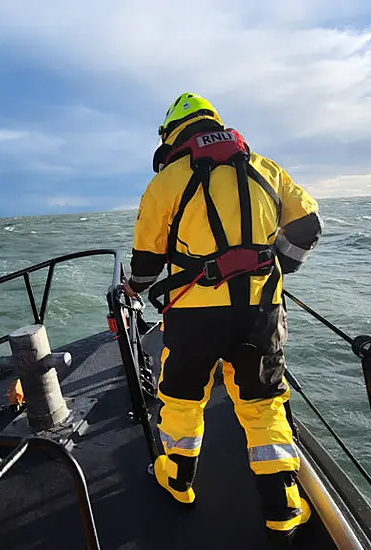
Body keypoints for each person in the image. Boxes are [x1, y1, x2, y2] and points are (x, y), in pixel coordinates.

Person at [123, 93, 323, 544]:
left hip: (194, 315)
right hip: (261, 312)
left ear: (173, 133)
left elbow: (146, 262)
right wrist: (280, 265)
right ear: (214, 124)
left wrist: (133, 288)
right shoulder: (267, 169)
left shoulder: (167, 181)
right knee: (262, 403)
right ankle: (284, 506)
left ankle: (176, 479)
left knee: (182, 398)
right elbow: (309, 225)